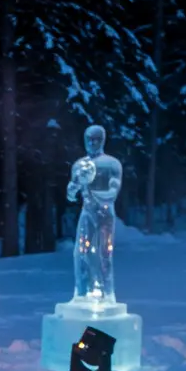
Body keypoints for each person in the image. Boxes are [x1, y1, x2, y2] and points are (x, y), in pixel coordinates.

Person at [66, 124, 122, 305]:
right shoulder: (79, 165)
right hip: (87, 212)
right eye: (88, 139)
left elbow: (113, 193)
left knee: (104, 253)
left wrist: (91, 191)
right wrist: (74, 186)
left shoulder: (112, 164)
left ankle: (108, 293)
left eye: (96, 139)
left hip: (104, 214)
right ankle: (81, 293)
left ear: (102, 140)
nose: (91, 143)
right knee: (80, 252)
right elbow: (71, 195)